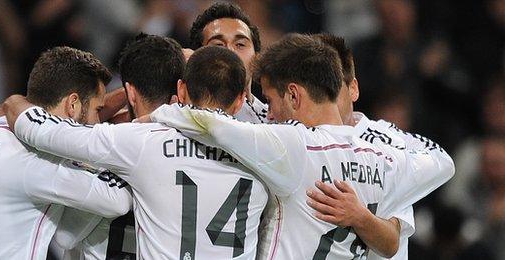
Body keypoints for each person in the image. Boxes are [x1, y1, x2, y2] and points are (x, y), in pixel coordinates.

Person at [149, 33, 454, 259]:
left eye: (269, 100)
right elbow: (442, 166)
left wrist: (161, 112)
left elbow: (212, 124)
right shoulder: (386, 158)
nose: (268, 113)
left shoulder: (293, 145)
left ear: (294, 95)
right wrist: (361, 215)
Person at [1, 46, 269, 259]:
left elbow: (47, 133)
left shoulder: (137, 143)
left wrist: (14, 101)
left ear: (182, 90)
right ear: (240, 101)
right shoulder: (267, 152)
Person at [0, 47, 132, 259]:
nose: (98, 121)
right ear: (72, 104)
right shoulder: (42, 161)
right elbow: (116, 200)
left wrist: (129, 94)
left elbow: (61, 128)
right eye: (97, 110)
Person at [307, 33, 455, 259]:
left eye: (331, 91)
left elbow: (443, 162)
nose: (323, 102)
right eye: (314, 92)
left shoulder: (387, 146)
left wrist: (360, 211)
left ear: (353, 89)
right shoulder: (294, 140)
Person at [54, 33, 186, 260]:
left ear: (130, 93)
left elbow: (65, 236)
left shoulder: (102, 148)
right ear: (181, 89)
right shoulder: (195, 153)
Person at [189, 2, 267, 124]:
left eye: (240, 44)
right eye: (218, 45)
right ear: (197, 58)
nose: (230, 52)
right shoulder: (179, 119)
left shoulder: (275, 121)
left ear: (257, 58)